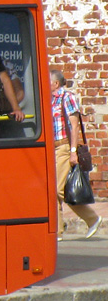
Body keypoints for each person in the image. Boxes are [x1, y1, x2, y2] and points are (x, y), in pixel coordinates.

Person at [51, 69, 102, 238]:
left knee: (59, 190)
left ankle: (92, 218)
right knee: (54, 190)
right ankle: (57, 232)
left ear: (56, 83)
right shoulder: (49, 99)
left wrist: (73, 151)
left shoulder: (67, 97)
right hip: (51, 148)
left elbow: (74, 126)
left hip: (63, 147)